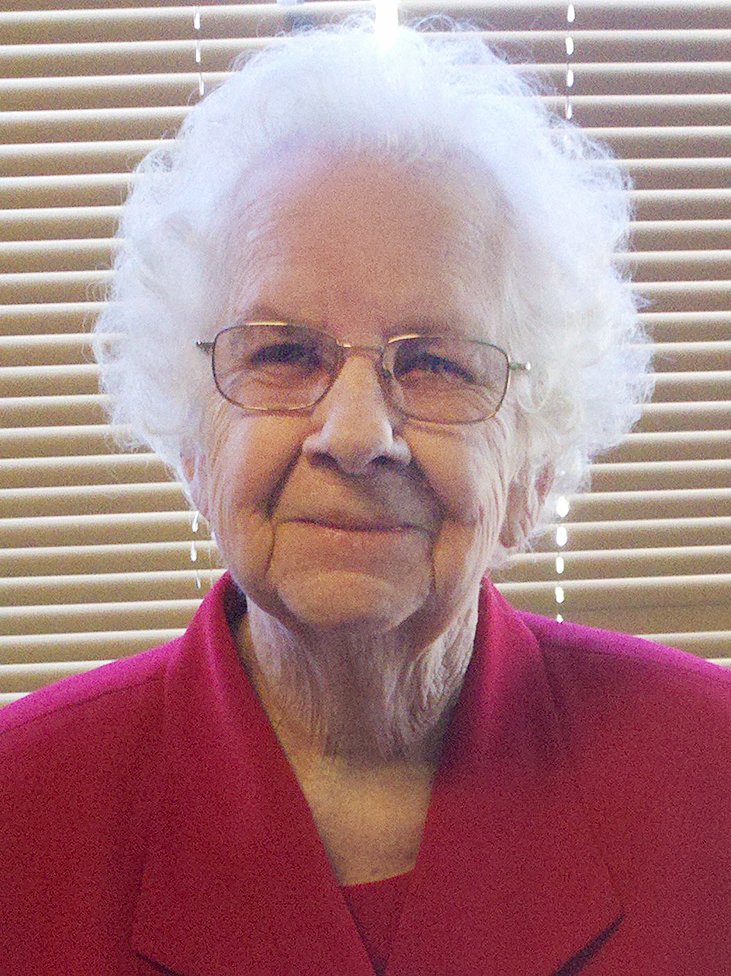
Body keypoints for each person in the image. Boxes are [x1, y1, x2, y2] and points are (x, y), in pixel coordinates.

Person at [1, 22, 730, 976]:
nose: (353, 434)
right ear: (192, 440)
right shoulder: (21, 812)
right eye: (282, 352)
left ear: (534, 466)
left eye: (435, 364)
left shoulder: (709, 775)